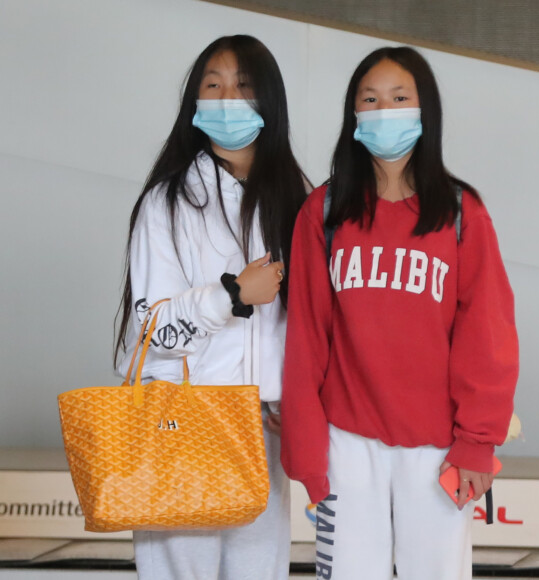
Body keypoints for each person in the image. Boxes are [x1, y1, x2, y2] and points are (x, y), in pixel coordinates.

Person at [280, 46, 518, 580]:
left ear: (423, 110)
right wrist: (306, 448)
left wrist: (477, 442)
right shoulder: (322, 212)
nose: (384, 110)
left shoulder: (462, 214)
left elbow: (488, 334)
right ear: (354, 114)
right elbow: (306, 338)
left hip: (438, 450)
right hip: (346, 443)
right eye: (371, 99)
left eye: (399, 97)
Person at [114, 34, 309, 580]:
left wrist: (295, 397)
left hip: (262, 424)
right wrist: (231, 296)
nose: (227, 98)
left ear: (267, 100)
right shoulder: (169, 201)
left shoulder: (296, 198)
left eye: (243, 86)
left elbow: (309, 323)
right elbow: (152, 331)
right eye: (213, 85)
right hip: (183, 419)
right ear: (194, 102)